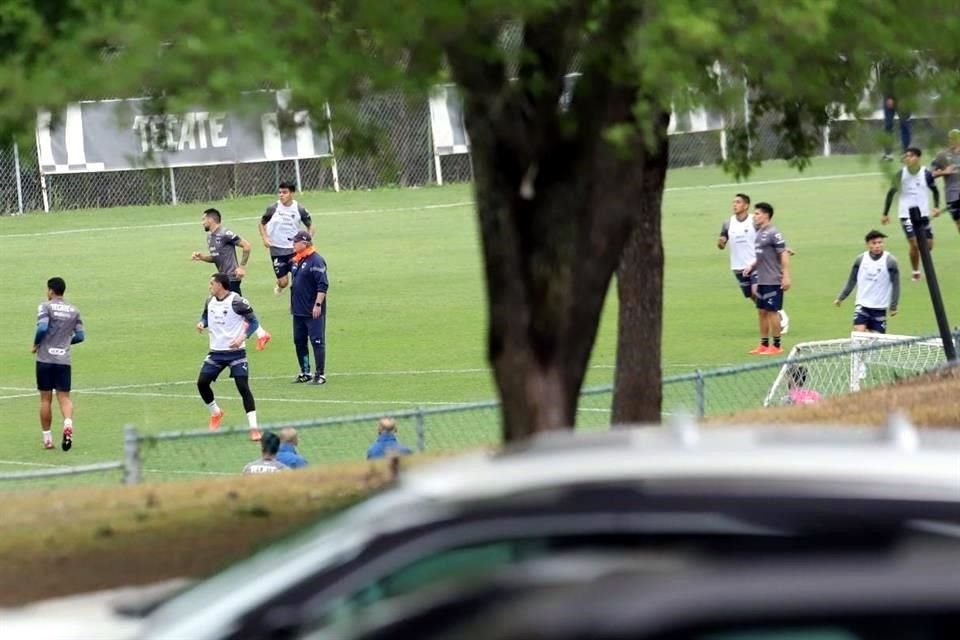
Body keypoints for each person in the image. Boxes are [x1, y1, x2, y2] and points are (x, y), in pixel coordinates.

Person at [196, 273, 266, 441]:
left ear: (220, 285)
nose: (210, 286)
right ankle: (216, 413)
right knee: (202, 383)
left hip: (236, 353)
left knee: (243, 387)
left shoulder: (237, 301)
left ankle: (254, 428)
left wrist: (242, 338)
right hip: (216, 352)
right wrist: (202, 323)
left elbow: (254, 322)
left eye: (212, 283)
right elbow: (206, 315)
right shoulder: (210, 300)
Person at [192, 208, 271, 350]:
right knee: (240, 307)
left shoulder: (225, 234)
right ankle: (261, 334)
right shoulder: (210, 237)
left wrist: (241, 267)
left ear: (211, 219)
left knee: (238, 307)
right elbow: (216, 258)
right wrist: (202, 257)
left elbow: (246, 246)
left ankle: (257, 334)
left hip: (231, 279)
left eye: (203, 219)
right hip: (222, 278)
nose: (202, 222)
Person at [718, 192, 789, 334]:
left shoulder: (754, 221)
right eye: (733, 202)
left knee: (756, 291)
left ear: (746, 205)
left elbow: (769, 234)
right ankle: (774, 311)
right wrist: (720, 243)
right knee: (753, 296)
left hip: (756, 264)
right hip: (738, 266)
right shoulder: (728, 223)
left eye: (738, 202)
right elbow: (722, 241)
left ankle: (778, 314)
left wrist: (783, 248)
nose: (734, 205)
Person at [32, 277, 85, 451]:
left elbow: (42, 327)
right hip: (63, 360)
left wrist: (36, 344)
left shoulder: (45, 306)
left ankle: (47, 439)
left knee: (45, 399)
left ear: (51, 291)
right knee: (64, 397)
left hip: (45, 359)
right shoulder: (74, 310)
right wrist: (65, 342)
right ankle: (68, 423)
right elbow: (80, 336)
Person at [881, 147, 940, 282]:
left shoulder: (926, 174)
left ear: (918, 158)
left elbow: (935, 191)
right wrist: (885, 214)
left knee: (928, 245)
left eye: (911, 156)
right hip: (906, 215)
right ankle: (916, 271)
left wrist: (936, 207)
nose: (907, 158)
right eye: (906, 156)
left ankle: (924, 263)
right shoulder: (900, 175)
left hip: (923, 215)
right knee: (914, 243)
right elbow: (891, 193)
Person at [741, 202, 790, 356]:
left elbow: (784, 253)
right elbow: (762, 257)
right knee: (761, 311)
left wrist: (786, 276)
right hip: (761, 279)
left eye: (757, 214)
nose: (754, 216)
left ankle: (776, 345)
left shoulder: (774, 233)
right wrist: (752, 267)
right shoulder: (760, 233)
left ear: (766, 215)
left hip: (773, 280)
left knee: (772, 312)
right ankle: (763, 344)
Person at [833, 230, 900, 334]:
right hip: (862, 305)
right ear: (867, 245)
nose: (878, 246)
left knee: (876, 343)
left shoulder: (890, 261)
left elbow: (896, 284)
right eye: (874, 243)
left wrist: (893, 306)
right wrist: (841, 297)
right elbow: (852, 280)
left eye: (880, 242)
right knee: (858, 337)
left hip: (879, 308)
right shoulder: (860, 260)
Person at [258, 181, 314, 295]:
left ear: (292, 193)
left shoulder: (299, 209)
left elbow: (311, 227)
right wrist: (265, 238)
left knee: (298, 280)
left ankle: (296, 303)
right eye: (279, 192)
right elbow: (261, 224)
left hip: (294, 250)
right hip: (277, 250)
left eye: (285, 192)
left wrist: (307, 242)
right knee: (283, 282)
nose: (281, 195)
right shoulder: (273, 208)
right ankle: (280, 285)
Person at [289, 230, 329, 384]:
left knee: (317, 341)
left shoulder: (316, 261)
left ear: (304, 243)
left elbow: (323, 285)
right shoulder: (297, 260)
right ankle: (305, 371)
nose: (293, 244)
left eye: (295, 242)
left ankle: (320, 374)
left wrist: (318, 304)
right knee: (299, 341)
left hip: (313, 311)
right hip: (298, 311)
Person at [930, 129, 960, 236]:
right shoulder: (942, 156)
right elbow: (930, 174)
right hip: (952, 196)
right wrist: (944, 172)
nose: (954, 141)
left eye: (956, 138)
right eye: (951, 138)